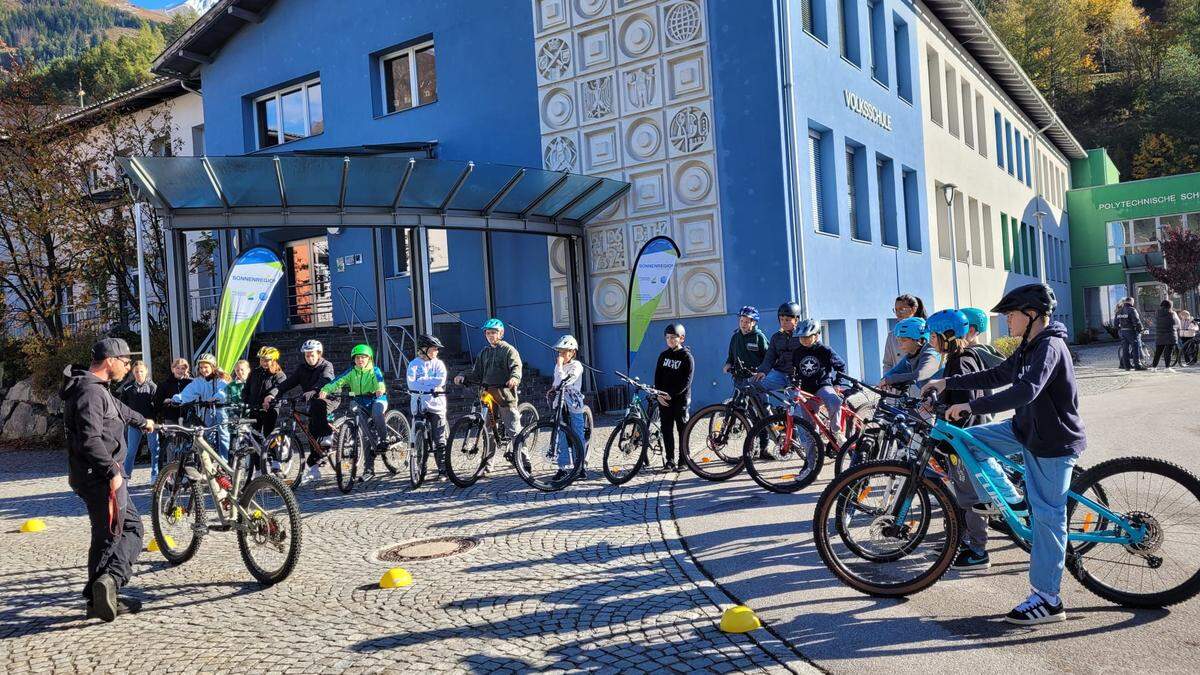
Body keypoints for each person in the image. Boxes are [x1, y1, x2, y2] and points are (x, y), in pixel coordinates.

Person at [923, 283, 1085, 625]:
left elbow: (1026, 390)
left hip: (1052, 441)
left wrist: (972, 404)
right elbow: (1000, 373)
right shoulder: (1029, 345)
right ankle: (1011, 501)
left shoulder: (1049, 346)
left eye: (1010, 315)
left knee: (1048, 518)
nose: (1006, 321)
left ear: (1031, 315)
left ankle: (1048, 599)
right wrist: (947, 383)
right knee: (964, 441)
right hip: (1024, 429)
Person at [62, 337, 155, 622]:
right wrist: (112, 472)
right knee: (111, 536)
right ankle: (104, 590)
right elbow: (89, 440)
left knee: (121, 531)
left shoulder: (97, 390)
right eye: (125, 361)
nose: (128, 366)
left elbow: (120, 410)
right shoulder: (89, 393)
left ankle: (105, 591)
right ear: (109, 361)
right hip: (100, 477)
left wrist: (146, 422)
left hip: (100, 476)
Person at [927, 309, 995, 572]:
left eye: (933, 336)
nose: (930, 341)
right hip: (962, 436)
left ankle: (978, 551)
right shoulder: (959, 357)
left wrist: (947, 423)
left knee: (970, 497)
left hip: (964, 438)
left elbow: (965, 402)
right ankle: (962, 540)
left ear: (947, 335)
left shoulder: (960, 361)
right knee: (964, 494)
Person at [454, 318, 522, 473]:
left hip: (505, 396)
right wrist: (463, 376)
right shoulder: (484, 353)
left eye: (494, 333)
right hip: (488, 396)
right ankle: (487, 464)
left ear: (501, 333)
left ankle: (524, 462)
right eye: (488, 333)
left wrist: (514, 378)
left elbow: (516, 367)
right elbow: (476, 374)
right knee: (487, 431)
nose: (491, 335)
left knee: (514, 430)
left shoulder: (508, 350)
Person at [264, 340, 335, 481]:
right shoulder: (302, 368)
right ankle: (314, 469)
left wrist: (315, 390)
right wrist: (272, 395)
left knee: (318, 406)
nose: (309, 358)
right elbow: (288, 383)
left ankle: (327, 436)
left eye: (312, 355)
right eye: (307, 355)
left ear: (319, 354)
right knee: (310, 431)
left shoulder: (326, 365)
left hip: (328, 398)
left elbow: (326, 380)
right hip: (311, 400)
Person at [320, 344, 389, 480]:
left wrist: (380, 389)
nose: (360, 360)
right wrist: (326, 389)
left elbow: (380, 382)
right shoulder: (351, 372)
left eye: (363, 357)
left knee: (376, 412)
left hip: (377, 399)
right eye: (357, 358)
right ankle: (368, 470)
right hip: (359, 401)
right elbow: (337, 381)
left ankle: (384, 438)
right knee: (365, 435)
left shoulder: (374, 370)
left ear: (369, 358)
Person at [787, 318, 850, 446]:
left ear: (816, 336)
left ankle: (836, 431)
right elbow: (793, 371)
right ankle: (816, 449)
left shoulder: (825, 350)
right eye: (801, 337)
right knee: (809, 424)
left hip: (822, 386)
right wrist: (793, 382)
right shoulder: (797, 352)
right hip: (806, 390)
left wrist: (837, 383)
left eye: (807, 337)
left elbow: (841, 365)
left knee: (835, 401)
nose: (803, 340)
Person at [171, 353, 230, 460]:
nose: (203, 370)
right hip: (206, 410)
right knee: (204, 435)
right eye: (201, 367)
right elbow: (188, 393)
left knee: (223, 435)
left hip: (220, 410)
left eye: (206, 367)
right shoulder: (199, 381)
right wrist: (176, 399)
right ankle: (206, 463)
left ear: (213, 367)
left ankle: (224, 462)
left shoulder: (220, 379)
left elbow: (224, 391)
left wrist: (216, 397)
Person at [408, 335, 449, 479]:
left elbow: (441, 380)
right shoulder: (413, 364)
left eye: (437, 349)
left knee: (439, 438)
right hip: (419, 405)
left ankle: (442, 469)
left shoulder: (439, 364)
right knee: (419, 439)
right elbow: (411, 384)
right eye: (433, 349)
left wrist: (423, 381)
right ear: (424, 350)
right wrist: (431, 383)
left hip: (436, 405)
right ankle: (420, 466)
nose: (436, 352)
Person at [654, 323, 694, 471]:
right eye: (667, 337)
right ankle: (669, 460)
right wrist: (659, 394)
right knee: (666, 429)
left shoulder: (687, 357)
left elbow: (686, 381)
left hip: (680, 400)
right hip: (663, 400)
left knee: (682, 429)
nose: (670, 340)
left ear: (681, 338)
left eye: (673, 337)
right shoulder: (663, 356)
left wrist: (672, 394)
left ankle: (683, 460)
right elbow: (657, 378)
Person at [550, 335, 588, 480]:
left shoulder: (576, 366)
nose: (561, 355)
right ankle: (562, 466)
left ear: (573, 352)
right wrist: (552, 388)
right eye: (560, 352)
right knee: (560, 432)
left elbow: (567, 381)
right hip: (560, 401)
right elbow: (557, 382)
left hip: (573, 401)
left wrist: (560, 367)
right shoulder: (557, 366)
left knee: (578, 432)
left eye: (565, 352)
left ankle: (581, 466)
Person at [117, 360, 158, 484]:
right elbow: (123, 406)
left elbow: (157, 406)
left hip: (150, 423)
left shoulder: (153, 387)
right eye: (136, 371)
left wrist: (155, 420)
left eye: (141, 371)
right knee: (131, 451)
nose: (139, 373)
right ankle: (126, 477)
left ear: (146, 371)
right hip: (134, 424)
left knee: (154, 449)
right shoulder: (127, 388)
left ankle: (155, 476)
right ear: (133, 373)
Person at [752, 302, 805, 396]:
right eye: (781, 319)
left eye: (787, 320)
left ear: (796, 320)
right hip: (780, 375)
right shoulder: (776, 337)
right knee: (755, 382)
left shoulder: (803, 336)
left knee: (797, 406)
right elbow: (770, 357)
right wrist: (762, 371)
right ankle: (764, 408)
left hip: (798, 377)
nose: (784, 323)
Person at [879, 317, 940, 396]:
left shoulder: (930, 353)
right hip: (931, 397)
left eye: (904, 340)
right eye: (898, 340)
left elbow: (919, 375)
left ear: (919, 340)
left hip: (947, 401)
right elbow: (896, 370)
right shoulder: (911, 355)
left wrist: (890, 380)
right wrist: (883, 380)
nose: (899, 345)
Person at [245, 346, 286, 437]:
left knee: (269, 435)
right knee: (254, 436)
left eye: (267, 360)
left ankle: (272, 451)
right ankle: (257, 451)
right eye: (261, 360)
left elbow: (278, 388)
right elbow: (247, 388)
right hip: (255, 407)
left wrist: (271, 396)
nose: (263, 362)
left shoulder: (279, 375)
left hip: (270, 408)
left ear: (273, 360)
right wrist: (244, 400)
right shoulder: (255, 372)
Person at [883, 294, 927, 372]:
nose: (898, 313)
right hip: (897, 382)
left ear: (914, 309)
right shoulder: (891, 336)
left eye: (901, 309)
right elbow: (887, 364)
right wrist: (886, 380)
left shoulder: (926, 331)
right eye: (895, 310)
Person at [723, 305, 769, 378]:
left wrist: (762, 371)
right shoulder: (735, 337)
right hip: (739, 378)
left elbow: (769, 357)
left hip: (755, 378)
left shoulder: (759, 337)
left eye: (746, 322)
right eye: (741, 321)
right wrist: (728, 364)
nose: (743, 324)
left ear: (753, 322)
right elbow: (731, 356)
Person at [153, 358, 191, 424]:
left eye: (183, 368)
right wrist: (166, 401)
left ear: (186, 370)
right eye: (178, 368)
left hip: (188, 418)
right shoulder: (164, 384)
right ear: (173, 369)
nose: (180, 370)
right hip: (170, 418)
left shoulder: (191, 383)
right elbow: (157, 402)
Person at [1114, 297, 1146, 371]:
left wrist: (1121, 329)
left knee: (1125, 349)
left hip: (1122, 332)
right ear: (1131, 302)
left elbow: (1115, 324)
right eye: (1133, 302)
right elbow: (1137, 322)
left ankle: (1127, 366)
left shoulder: (1119, 311)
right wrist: (1141, 329)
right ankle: (1137, 365)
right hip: (1131, 331)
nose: (1133, 303)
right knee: (1135, 348)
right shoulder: (1132, 310)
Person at [1150, 299, 1181, 372]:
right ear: (1170, 306)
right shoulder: (1172, 313)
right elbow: (1178, 323)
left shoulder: (1157, 313)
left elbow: (1154, 323)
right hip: (1170, 334)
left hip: (1159, 334)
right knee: (1168, 352)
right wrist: (1175, 328)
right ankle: (1167, 368)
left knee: (1158, 352)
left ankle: (1154, 367)